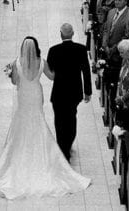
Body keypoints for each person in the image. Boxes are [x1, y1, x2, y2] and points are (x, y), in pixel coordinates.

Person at [0, 37, 91, 198]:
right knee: (38, 119)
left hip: (24, 95)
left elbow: (15, 82)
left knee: (22, 119)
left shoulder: (17, 62)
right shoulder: (42, 62)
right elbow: (52, 76)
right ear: (36, 47)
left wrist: (11, 74)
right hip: (36, 95)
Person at [44, 24, 92, 160]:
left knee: (59, 120)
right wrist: (87, 91)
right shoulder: (81, 49)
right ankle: (68, 143)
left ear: (61, 34)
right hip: (74, 91)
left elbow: (50, 70)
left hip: (59, 92)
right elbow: (86, 71)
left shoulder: (53, 50)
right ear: (73, 34)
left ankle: (62, 147)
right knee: (71, 118)